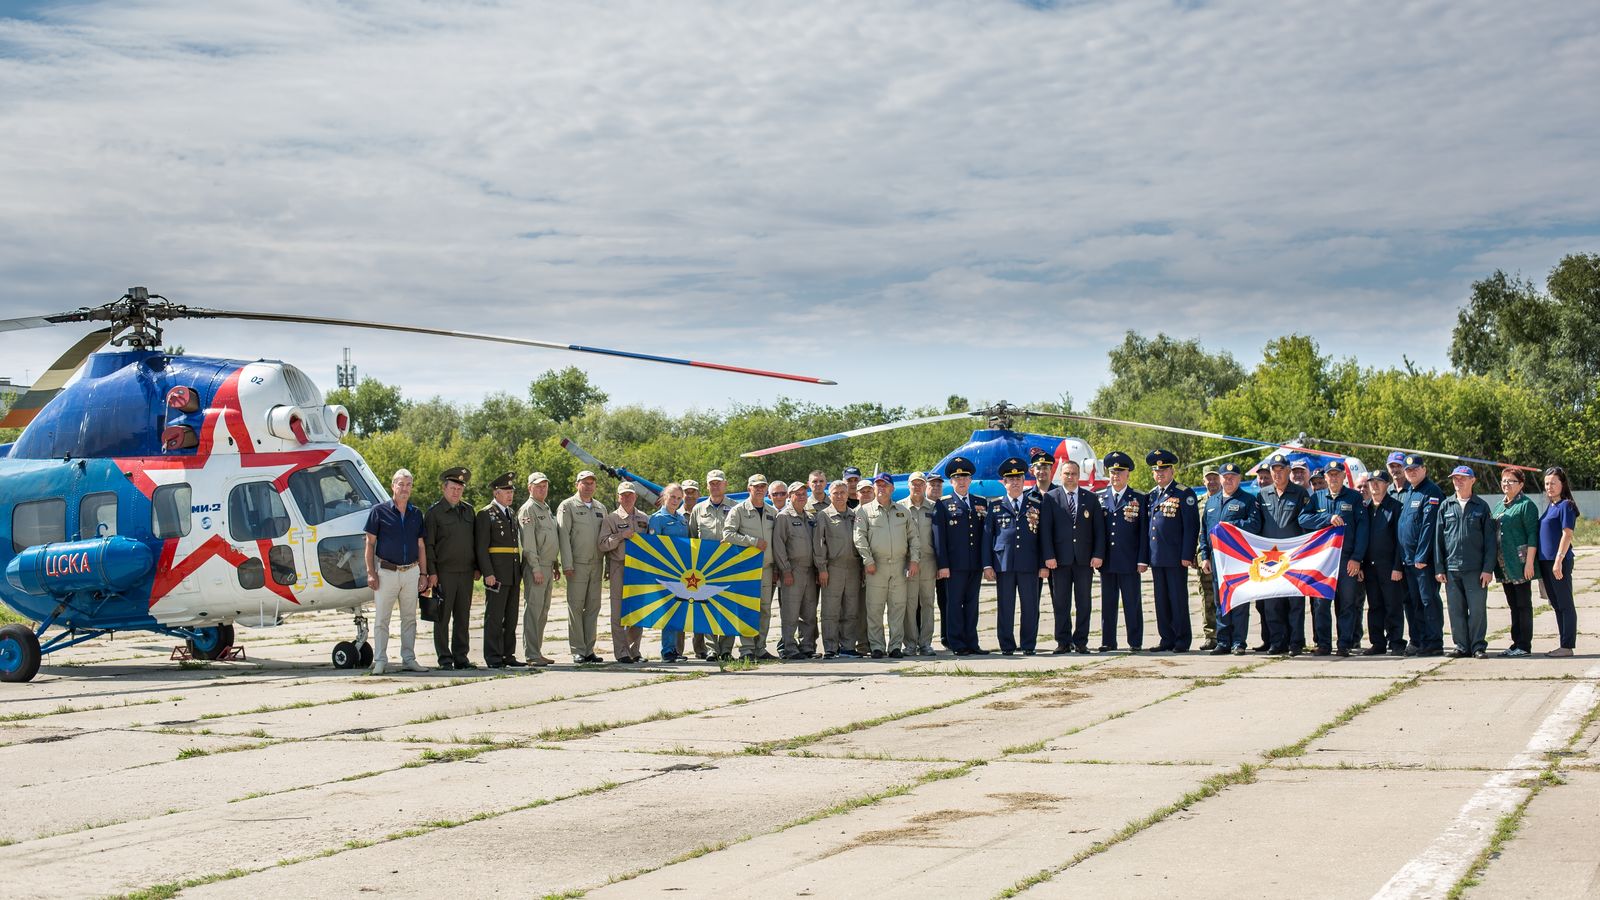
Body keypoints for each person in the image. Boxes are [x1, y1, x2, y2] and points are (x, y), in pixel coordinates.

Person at [1299, 460, 1369, 655]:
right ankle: (1323, 644)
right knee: (1321, 603)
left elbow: (1363, 530)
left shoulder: (1354, 498)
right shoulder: (1317, 498)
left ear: (1344, 476)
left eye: (1337, 474)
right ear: (1326, 477)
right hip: (1322, 560)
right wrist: (1326, 518)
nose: (1334, 478)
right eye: (1330, 475)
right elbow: (1303, 518)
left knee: (1346, 603)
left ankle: (1345, 644)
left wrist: (1357, 558)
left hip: (1347, 559)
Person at [363, 468, 429, 674]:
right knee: (382, 618)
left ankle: (408, 658)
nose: (405, 489)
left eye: (408, 485)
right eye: (401, 484)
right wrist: (370, 572)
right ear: (393, 486)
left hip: (411, 572)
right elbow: (369, 544)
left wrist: (423, 574)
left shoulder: (416, 513)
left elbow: (421, 546)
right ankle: (380, 660)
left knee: (409, 618)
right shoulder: (379, 511)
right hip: (386, 572)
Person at [985, 456, 1050, 655]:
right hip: (1003, 564)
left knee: (1030, 606)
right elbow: (988, 537)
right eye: (1010, 479)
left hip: (1029, 563)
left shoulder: (1035, 504)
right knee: (1006, 607)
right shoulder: (995, 506)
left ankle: (1028, 644)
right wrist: (987, 565)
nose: (1015, 483)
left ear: (1024, 481)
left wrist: (1043, 563)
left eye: (1018, 479)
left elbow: (1043, 537)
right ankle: (1007, 645)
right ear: (1004, 483)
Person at [1041, 458, 1104, 654]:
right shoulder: (1051, 498)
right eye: (1067, 473)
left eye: (1074, 474)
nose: (1070, 477)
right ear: (1060, 476)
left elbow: (1099, 530)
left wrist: (1098, 554)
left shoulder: (1090, 498)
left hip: (1084, 560)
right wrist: (1049, 555)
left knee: (1084, 602)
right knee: (1061, 603)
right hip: (1059, 560)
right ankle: (1063, 641)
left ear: (1080, 476)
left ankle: (1081, 641)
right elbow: (1045, 531)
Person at [1199, 462, 1263, 655]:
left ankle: (1238, 642)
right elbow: (1204, 532)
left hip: (1239, 559)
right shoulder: (1211, 502)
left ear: (1239, 479)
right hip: (1217, 559)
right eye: (1225, 478)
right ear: (1220, 479)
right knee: (1220, 601)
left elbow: (1254, 524)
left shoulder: (1247, 500)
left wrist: (1231, 525)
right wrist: (1205, 556)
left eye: (1233, 477)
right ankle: (1223, 640)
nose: (1229, 480)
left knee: (1239, 600)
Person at [856, 472, 921, 658]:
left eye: (885, 485)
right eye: (878, 485)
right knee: (875, 609)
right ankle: (876, 646)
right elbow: (859, 537)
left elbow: (913, 538)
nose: (881, 488)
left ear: (892, 488)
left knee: (897, 608)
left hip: (899, 567)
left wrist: (914, 560)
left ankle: (894, 647)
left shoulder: (903, 511)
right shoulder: (865, 511)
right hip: (876, 567)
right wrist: (867, 560)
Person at [1434, 466, 1497, 658]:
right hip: (1452, 568)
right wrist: (1439, 567)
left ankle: (1478, 646)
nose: (1458, 482)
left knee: (1477, 610)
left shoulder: (1481, 506)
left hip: (1475, 569)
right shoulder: (1446, 506)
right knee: (1456, 610)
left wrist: (1488, 569)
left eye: (1462, 478)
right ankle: (1461, 645)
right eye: (1455, 479)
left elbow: (1490, 541)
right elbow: (1438, 539)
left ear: (1472, 481)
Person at [933, 456, 989, 656]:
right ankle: (956, 643)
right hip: (954, 566)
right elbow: (939, 538)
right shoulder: (943, 504)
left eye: (965, 477)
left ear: (971, 479)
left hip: (974, 564)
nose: (962, 481)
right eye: (958, 478)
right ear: (952, 481)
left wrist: (986, 563)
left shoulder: (980, 503)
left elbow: (986, 535)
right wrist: (943, 565)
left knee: (972, 604)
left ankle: (972, 642)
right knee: (954, 604)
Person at [1144, 448, 1199, 653]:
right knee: (1161, 602)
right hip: (1157, 557)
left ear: (1172, 471)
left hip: (1176, 557)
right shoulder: (1151, 496)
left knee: (1177, 600)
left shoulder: (1184, 493)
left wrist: (1187, 555)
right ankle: (1166, 638)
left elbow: (1191, 527)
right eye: (1157, 471)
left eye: (1164, 470)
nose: (1160, 474)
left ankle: (1182, 639)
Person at [1258, 453, 1311, 655]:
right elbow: (1257, 525)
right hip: (1269, 558)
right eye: (1274, 470)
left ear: (1288, 471)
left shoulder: (1300, 493)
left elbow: (1307, 523)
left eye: (1281, 470)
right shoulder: (1262, 494)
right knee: (1272, 602)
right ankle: (1277, 642)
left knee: (1295, 602)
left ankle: (1296, 642)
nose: (1277, 474)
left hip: (1294, 557)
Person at [424, 467, 476, 670]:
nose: (456, 492)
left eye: (459, 489)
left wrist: (477, 568)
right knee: (442, 618)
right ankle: (445, 659)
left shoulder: (468, 510)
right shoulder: (434, 513)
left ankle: (461, 658)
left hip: (466, 572)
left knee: (462, 617)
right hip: (444, 573)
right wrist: (432, 572)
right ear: (444, 488)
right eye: (453, 488)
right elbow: (429, 545)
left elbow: (475, 541)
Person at [557, 469, 609, 664]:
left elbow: (604, 538)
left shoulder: (600, 508)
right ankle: (578, 649)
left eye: (591, 483)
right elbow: (563, 536)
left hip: (596, 564)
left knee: (593, 607)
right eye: (584, 483)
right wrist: (567, 564)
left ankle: (589, 649)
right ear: (577, 484)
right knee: (576, 607)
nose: (588, 487)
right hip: (577, 565)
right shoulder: (567, 506)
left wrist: (605, 566)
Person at [1098, 451, 1148, 652]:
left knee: (1132, 603)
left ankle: (1135, 641)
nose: (1116, 476)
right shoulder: (1099, 498)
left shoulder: (1138, 498)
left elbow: (1144, 532)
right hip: (1107, 561)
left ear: (1128, 474)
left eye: (1120, 472)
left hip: (1129, 560)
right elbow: (1096, 531)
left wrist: (1142, 559)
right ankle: (1108, 641)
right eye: (1112, 472)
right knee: (1108, 603)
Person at [1397, 455, 1446, 657]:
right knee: (1413, 602)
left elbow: (1429, 527)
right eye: (1408, 471)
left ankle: (1434, 642)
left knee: (1428, 601)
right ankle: (1419, 640)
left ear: (1424, 470)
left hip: (1422, 561)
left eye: (1415, 469)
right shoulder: (1409, 491)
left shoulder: (1431, 492)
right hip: (1408, 559)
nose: (1412, 473)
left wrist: (1422, 556)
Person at [475, 472, 525, 668]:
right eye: (506, 491)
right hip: (496, 573)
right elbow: (481, 547)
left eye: (511, 490)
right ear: (496, 493)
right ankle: (493, 656)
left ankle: (508, 654)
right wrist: (488, 572)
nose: (510, 494)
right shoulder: (486, 514)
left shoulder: (511, 513)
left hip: (512, 572)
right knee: (495, 617)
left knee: (511, 617)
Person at [727, 474, 780, 660]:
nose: (759, 489)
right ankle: (747, 649)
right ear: (749, 488)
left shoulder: (772, 512)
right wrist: (752, 542)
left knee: (765, 609)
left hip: (766, 568)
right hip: (746, 569)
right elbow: (727, 534)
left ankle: (761, 647)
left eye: (762, 486)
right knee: (746, 608)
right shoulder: (738, 510)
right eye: (755, 486)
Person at [598, 482, 651, 663]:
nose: (627, 498)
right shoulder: (611, 519)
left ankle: (634, 650)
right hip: (619, 566)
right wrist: (621, 536)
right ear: (618, 497)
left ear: (635, 497)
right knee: (618, 612)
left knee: (638, 610)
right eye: (623, 495)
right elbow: (603, 544)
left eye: (630, 494)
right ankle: (621, 652)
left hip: (639, 569)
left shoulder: (644, 518)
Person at [1492, 471, 1539, 658]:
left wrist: (1529, 563)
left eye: (1511, 481)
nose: (1506, 484)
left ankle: (1524, 645)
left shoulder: (1526, 506)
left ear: (1520, 484)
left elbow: (1532, 535)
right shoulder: (1499, 506)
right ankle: (1515, 643)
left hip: (1519, 564)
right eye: (1504, 481)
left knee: (1523, 605)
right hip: (1504, 566)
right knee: (1513, 606)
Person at [691, 469, 737, 660]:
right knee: (707, 606)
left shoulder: (736, 507)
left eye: (719, 482)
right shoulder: (698, 509)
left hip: (729, 564)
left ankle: (726, 649)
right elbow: (692, 536)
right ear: (707, 485)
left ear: (725, 484)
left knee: (729, 606)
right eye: (712, 483)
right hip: (705, 567)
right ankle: (712, 648)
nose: (715, 485)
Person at [813, 480, 863, 658]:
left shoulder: (854, 515)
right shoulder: (824, 516)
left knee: (851, 610)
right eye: (836, 493)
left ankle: (848, 646)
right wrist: (822, 568)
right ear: (830, 495)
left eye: (843, 492)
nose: (840, 496)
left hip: (853, 568)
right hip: (833, 568)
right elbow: (819, 544)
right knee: (830, 610)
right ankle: (830, 647)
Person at [517, 471, 560, 666]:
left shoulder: (545, 508)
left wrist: (555, 564)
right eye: (538, 486)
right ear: (530, 488)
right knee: (533, 610)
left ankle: (537, 651)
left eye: (545, 486)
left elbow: (551, 539)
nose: (542, 489)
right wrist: (535, 568)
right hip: (537, 566)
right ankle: (531, 654)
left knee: (543, 610)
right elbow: (529, 544)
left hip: (548, 565)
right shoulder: (528, 509)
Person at [1362, 472, 1407, 656]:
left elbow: (1400, 540)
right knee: (1374, 606)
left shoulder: (1396, 507)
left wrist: (1398, 566)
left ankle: (1396, 642)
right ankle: (1377, 642)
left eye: (1379, 482)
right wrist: (1361, 565)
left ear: (1387, 484)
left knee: (1393, 605)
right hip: (1370, 567)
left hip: (1389, 567)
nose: (1375, 486)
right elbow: (1362, 539)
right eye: (1372, 482)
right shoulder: (1365, 508)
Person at [774, 481, 819, 659]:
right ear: (790, 496)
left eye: (803, 494)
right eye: (797, 494)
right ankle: (789, 648)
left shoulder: (809, 517)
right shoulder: (784, 517)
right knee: (790, 613)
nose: (801, 497)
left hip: (809, 570)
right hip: (793, 570)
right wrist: (786, 570)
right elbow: (779, 545)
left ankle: (807, 646)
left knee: (809, 612)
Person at [1538, 466, 1579, 657]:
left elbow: (1567, 534)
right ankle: (1563, 642)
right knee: (1556, 603)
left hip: (1558, 562)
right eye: (1547, 483)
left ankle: (1567, 645)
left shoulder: (1566, 506)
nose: (1549, 487)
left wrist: (1559, 560)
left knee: (1565, 603)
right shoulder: (1551, 506)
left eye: (1553, 483)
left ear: (1562, 484)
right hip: (1545, 562)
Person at [649, 482, 692, 661]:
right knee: (668, 610)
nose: (675, 501)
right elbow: (654, 547)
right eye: (672, 497)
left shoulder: (682, 519)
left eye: (678, 498)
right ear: (664, 497)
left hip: (682, 573)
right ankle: (667, 650)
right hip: (666, 571)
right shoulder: (657, 518)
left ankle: (674, 649)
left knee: (679, 610)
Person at [899, 473, 940, 656]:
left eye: (920, 484)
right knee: (909, 604)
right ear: (909, 486)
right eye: (914, 484)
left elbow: (940, 537)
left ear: (925, 486)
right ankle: (909, 643)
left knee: (927, 603)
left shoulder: (933, 507)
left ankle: (925, 643)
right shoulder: (899, 507)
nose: (917, 487)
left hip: (929, 561)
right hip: (907, 562)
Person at [1194, 465, 1222, 651]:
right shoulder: (1198, 502)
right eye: (1208, 478)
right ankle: (1210, 635)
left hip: (1224, 556)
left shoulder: (1226, 499)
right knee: (1207, 596)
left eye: (1214, 478)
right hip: (1203, 556)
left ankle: (1227, 633)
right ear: (1203, 480)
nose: (1211, 482)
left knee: (1224, 597)